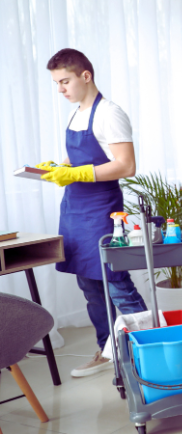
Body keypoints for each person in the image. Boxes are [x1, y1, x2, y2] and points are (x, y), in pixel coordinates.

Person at [41, 48, 147, 377]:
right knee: (89, 283)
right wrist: (61, 168)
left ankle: (151, 349)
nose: (60, 89)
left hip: (101, 209)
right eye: (56, 83)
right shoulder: (77, 113)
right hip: (74, 207)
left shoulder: (109, 113)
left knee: (115, 281)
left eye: (64, 81)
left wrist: (78, 173)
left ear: (85, 76)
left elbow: (126, 165)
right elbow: (81, 158)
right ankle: (108, 348)